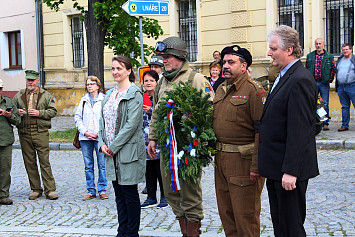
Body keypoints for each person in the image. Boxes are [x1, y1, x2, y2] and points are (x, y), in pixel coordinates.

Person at [147, 36, 214, 237]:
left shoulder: (197, 80)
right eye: (162, 57)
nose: (163, 61)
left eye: (167, 57)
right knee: (170, 193)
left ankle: (193, 233)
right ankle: (185, 231)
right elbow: (156, 113)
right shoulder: (162, 83)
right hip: (167, 147)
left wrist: (190, 120)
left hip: (187, 148)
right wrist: (152, 138)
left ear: (179, 56)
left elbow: (210, 112)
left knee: (189, 194)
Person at [258, 25, 319, 237]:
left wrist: (291, 171)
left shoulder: (299, 79)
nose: (269, 53)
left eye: (273, 48)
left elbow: (300, 130)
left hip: (289, 171)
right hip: (276, 167)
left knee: (291, 227)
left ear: (289, 50)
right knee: (281, 226)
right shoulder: (284, 75)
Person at [213, 45, 266, 236]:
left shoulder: (254, 90)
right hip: (221, 161)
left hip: (243, 164)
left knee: (246, 219)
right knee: (227, 217)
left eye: (230, 62)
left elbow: (262, 131)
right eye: (223, 62)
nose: (225, 66)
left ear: (243, 66)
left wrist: (257, 166)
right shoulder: (220, 88)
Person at [98, 56, 145, 237]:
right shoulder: (110, 94)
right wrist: (102, 143)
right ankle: (122, 231)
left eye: (119, 68)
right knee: (118, 194)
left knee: (130, 194)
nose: (115, 72)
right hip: (110, 152)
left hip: (127, 151)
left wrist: (114, 146)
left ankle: (132, 233)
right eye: (113, 68)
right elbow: (102, 121)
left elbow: (132, 124)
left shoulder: (134, 94)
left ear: (129, 71)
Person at [13, 70, 59, 200]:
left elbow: (53, 111)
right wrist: (18, 113)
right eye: (28, 80)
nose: (30, 82)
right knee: (29, 162)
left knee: (44, 161)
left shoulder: (46, 95)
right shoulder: (19, 95)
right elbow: (11, 111)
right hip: (24, 132)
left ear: (38, 81)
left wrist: (39, 113)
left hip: (40, 132)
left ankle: (50, 190)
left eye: (33, 80)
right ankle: (35, 189)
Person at [75, 76, 107, 201]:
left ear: (98, 86)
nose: (89, 86)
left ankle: (102, 190)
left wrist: (100, 133)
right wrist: (86, 132)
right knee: (88, 165)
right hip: (85, 138)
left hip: (100, 137)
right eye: (88, 84)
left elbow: (107, 118)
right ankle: (91, 191)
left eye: (92, 84)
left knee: (102, 164)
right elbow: (78, 118)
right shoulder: (83, 100)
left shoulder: (103, 99)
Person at [140, 70, 168, 209]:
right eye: (146, 81)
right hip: (144, 140)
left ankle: (164, 196)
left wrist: (150, 110)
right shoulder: (141, 97)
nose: (148, 83)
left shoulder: (161, 97)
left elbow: (163, 117)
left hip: (158, 139)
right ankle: (151, 197)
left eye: (151, 80)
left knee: (160, 169)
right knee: (148, 170)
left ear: (157, 82)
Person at [306, 38, 336, 131]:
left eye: (320, 43)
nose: (318, 45)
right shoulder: (310, 56)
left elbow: (333, 69)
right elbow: (306, 68)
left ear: (323, 45)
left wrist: (329, 80)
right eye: (316, 44)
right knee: (311, 102)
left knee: (324, 103)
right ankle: (313, 122)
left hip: (323, 83)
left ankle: (325, 123)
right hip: (313, 83)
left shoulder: (328, 56)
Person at [0, 79, 20, 205]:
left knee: (5, 170)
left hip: (5, 140)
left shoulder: (8, 101)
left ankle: (3, 195)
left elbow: (18, 120)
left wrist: (9, 116)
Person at [335, 43, 355, 132]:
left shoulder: (354, 59)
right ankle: (344, 125)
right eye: (343, 50)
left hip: (352, 86)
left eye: (346, 49)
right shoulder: (340, 60)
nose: (345, 51)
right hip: (341, 87)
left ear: (351, 50)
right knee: (345, 107)